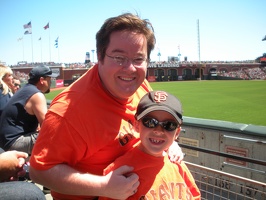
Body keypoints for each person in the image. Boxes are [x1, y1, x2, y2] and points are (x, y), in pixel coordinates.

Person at [29, 13, 184, 200]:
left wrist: (170, 142)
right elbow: (39, 171)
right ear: (100, 56)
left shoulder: (139, 84)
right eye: (119, 57)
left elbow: (157, 118)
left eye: (138, 59)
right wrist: (103, 186)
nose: (130, 69)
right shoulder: (69, 111)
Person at [99, 91, 201, 199]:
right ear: (136, 125)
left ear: (177, 133)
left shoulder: (176, 163)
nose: (158, 131)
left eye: (169, 125)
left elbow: (195, 196)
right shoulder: (119, 171)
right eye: (150, 122)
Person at [0, 65, 58, 154]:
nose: (51, 82)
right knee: (58, 135)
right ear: (42, 80)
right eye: (49, 79)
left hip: (6, 141)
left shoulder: (26, 90)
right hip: (14, 142)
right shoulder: (36, 95)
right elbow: (48, 126)